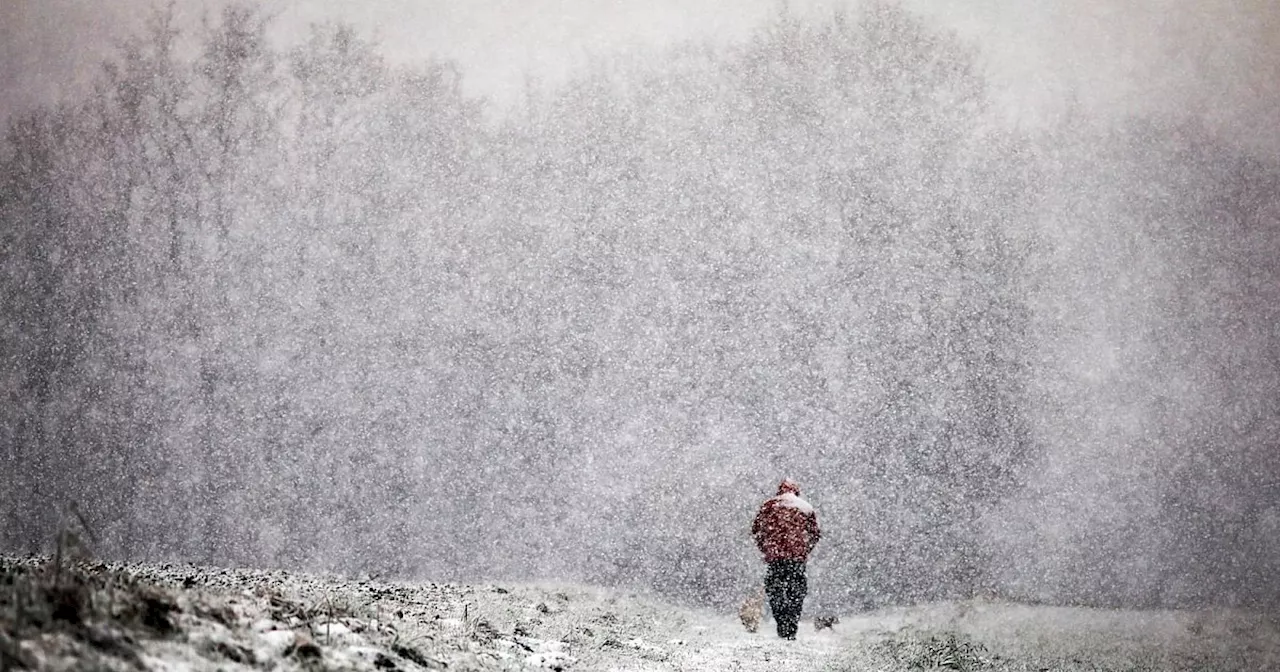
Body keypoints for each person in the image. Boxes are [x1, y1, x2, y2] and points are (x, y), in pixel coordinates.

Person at [750, 478, 821, 640]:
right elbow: (815, 534)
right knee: (796, 592)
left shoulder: (769, 506)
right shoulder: (805, 508)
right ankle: (791, 625)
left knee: (775, 591)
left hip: (775, 559)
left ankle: (782, 622)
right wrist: (804, 551)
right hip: (797, 560)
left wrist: (766, 550)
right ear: (796, 491)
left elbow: (756, 530)